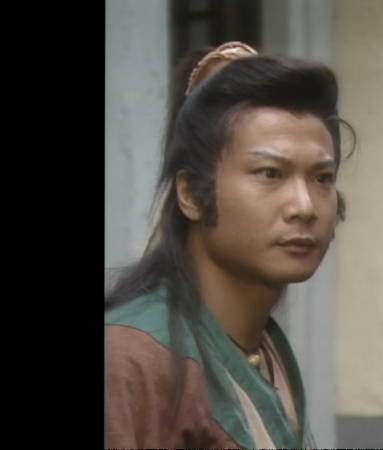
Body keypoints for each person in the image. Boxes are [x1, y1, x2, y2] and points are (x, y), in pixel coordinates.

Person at [104, 41, 353, 449]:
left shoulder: (265, 348)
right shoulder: (128, 360)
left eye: (322, 178)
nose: (304, 206)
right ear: (190, 193)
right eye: (269, 173)